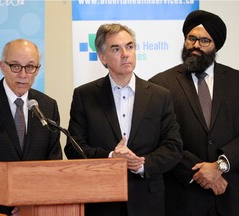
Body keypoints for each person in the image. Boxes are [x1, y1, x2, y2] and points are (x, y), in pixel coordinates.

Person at [64, 23, 183, 216]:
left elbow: (173, 147)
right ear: (103, 57)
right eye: (116, 49)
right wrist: (111, 158)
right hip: (101, 202)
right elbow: (74, 147)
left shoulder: (160, 96)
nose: (125, 54)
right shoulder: (84, 96)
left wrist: (142, 164)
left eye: (129, 46)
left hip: (148, 201)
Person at [149, 10, 239, 216]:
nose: (196, 45)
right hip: (183, 197)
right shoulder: (160, 85)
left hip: (234, 197)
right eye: (192, 38)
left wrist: (220, 165)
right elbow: (159, 138)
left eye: (205, 40)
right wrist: (198, 172)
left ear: (216, 45)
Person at [0, 39, 63, 216]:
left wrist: (28, 200)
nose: (23, 74)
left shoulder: (48, 106)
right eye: (16, 66)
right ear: (3, 67)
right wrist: (14, 198)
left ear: (38, 69)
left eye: (30, 67)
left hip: (33, 207)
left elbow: (52, 161)